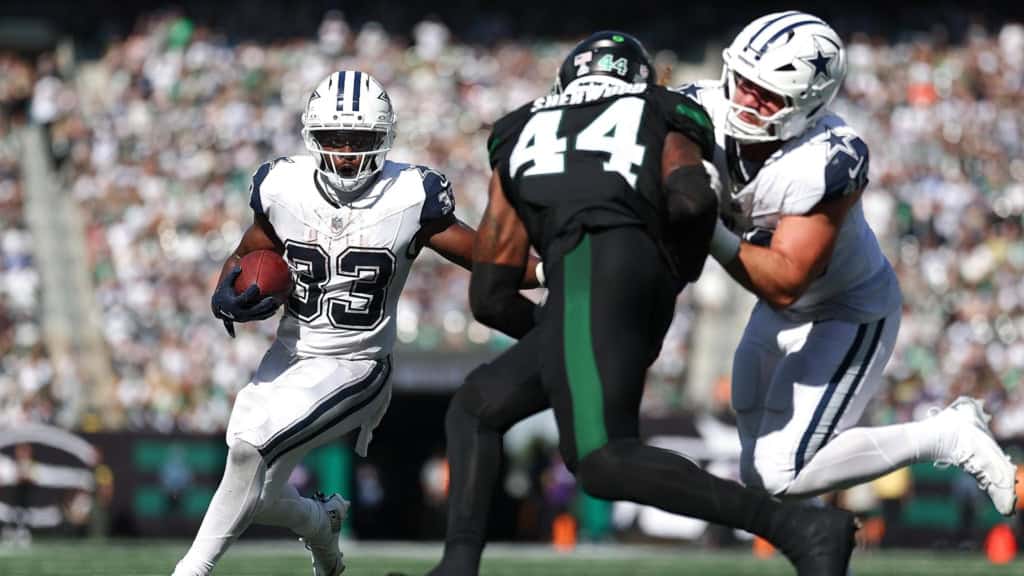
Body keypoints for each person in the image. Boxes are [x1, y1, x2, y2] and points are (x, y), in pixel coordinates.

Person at [423, 31, 857, 576]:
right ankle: (456, 567)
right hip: (628, 280)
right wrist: (664, 278)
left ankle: (801, 528)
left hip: (586, 267)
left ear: (562, 85)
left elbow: (489, 294)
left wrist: (563, 327)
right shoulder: (660, 108)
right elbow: (692, 197)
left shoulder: (518, 128)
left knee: (603, 460)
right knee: (478, 407)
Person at [172, 70, 538, 576]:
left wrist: (545, 269)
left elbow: (482, 255)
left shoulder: (411, 195)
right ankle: (322, 523)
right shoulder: (283, 186)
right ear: (312, 138)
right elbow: (247, 253)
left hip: (357, 364)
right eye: (333, 139)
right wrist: (228, 289)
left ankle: (190, 570)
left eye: (359, 139)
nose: (345, 152)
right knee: (254, 485)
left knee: (249, 450)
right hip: (290, 354)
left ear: (383, 138)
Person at [679, 11, 1017, 511]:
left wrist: (704, 223)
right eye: (743, 82)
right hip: (779, 310)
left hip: (846, 310)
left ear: (806, 103)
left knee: (777, 475)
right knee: (755, 462)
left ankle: (947, 435)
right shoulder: (695, 109)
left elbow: (786, 281)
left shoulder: (826, 158)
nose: (745, 100)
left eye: (766, 94)